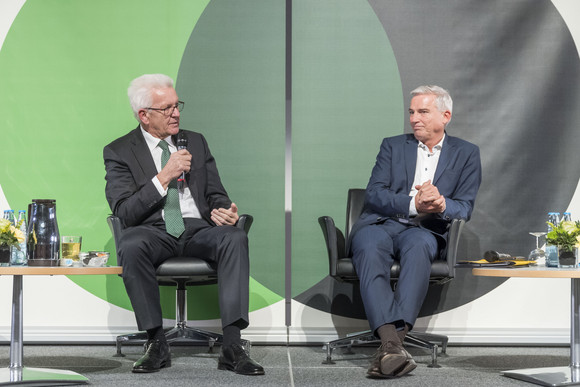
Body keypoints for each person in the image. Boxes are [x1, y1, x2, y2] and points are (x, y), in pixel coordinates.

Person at [103, 74, 264, 376]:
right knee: (130, 243)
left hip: (197, 228)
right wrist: (164, 176)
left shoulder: (196, 142)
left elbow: (216, 193)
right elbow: (124, 211)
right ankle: (155, 342)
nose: (176, 113)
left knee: (235, 237)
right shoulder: (119, 151)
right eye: (167, 108)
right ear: (144, 115)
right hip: (152, 230)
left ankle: (232, 345)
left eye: (177, 106)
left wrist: (222, 211)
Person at [348, 85, 481, 378]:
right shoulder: (393, 146)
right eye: (411, 112)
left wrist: (441, 203)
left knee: (419, 247)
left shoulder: (467, 153)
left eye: (423, 111)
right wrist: (413, 202)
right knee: (369, 248)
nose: (414, 118)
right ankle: (393, 345)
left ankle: (389, 345)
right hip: (381, 223)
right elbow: (374, 194)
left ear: (445, 116)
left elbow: (465, 207)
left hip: (425, 229)